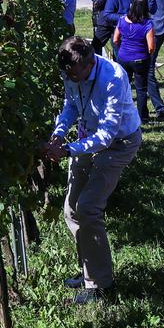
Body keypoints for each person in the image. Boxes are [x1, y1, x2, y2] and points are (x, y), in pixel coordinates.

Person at [42, 37, 143, 305]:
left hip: (118, 143)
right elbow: (71, 107)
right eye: (67, 75)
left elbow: (107, 136)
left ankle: (100, 285)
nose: (71, 79)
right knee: (72, 209)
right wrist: (58, 135)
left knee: (88, 207)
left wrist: (67, 150)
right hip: (87, 137)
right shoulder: (70, 72)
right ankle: (89, 269)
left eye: (75, 75)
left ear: (89, 64)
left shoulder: (113, 77)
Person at [113, 0, 156, 121]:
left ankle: (121, 114)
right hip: (140, 59)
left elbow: (115, 39)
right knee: (141, 89)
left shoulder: (122, 20)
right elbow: (151, 47)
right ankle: (142, 116)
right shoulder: (147, 24)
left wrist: (123, 49)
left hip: (123, 58)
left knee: (123, 88)